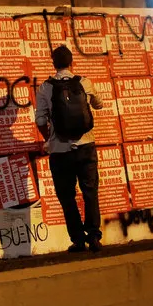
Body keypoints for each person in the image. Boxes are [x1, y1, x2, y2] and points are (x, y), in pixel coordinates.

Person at [35, 45, 104, 253]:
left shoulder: (46, 88)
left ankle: (78, 240)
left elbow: (40, 120)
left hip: (60, 152)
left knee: (67, 197)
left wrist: (50, 138)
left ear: (53, 63)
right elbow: (99, 105)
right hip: (86, 147)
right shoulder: (84, 82)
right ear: (71, 61)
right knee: (90, 192)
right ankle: (94, 237)